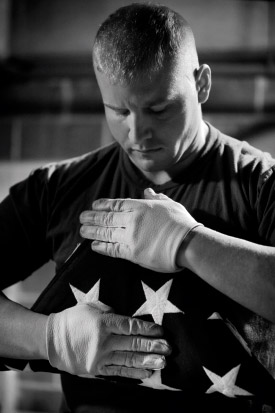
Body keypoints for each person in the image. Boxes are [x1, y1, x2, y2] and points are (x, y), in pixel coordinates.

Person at [0, 2, 275, 412]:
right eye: (119, 110)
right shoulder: (56, 188)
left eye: (159, 109)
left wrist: (189, 244)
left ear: (201, 84)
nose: (138, 131)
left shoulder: (259, 182)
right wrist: (49, 337)